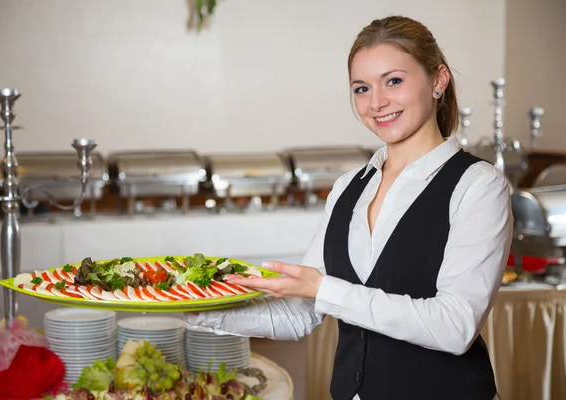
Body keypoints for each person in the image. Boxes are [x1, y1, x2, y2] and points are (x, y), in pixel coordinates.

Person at [185, 15, 512, 400]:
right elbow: (300, 313)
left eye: (394, 81)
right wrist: (191, 306)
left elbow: (455, 327)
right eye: (361, 88)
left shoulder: (478, 186)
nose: (376, 103)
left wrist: (323, 288)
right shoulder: (348, 188)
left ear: (438, 80)